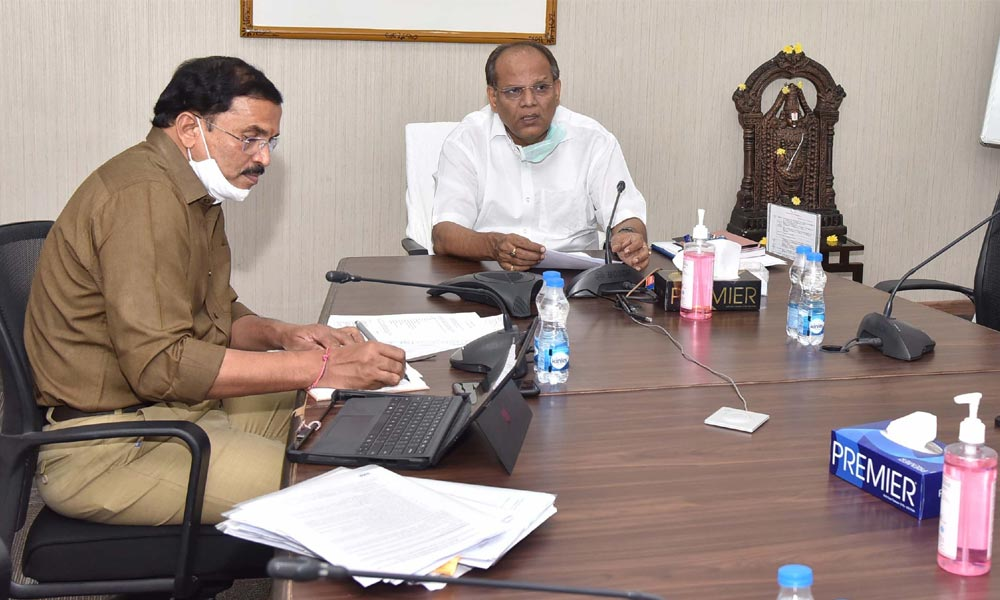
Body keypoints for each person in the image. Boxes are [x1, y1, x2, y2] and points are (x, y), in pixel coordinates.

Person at [23, 56, 406, 526]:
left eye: (271, 142)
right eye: (250, 138)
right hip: (113, 448)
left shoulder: (187, 188)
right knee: (331, 485)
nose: (264, 157)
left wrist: (283, 336)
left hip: (174, 414)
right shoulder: (141, 199)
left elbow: (216, 312)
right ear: (189, 128)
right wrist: (320, 366)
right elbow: (162, 365)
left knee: (345, 418)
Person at [431, 42, 650, 272]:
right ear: (493, 98)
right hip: (490, 276)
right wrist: (494, 246)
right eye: (514, 91)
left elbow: (627, 215)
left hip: (576, 283)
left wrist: (627, 238)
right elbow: (444, 234)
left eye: (541, 88)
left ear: (557, 90)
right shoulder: (466, 141)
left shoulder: (593, 140)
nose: (529, 102)